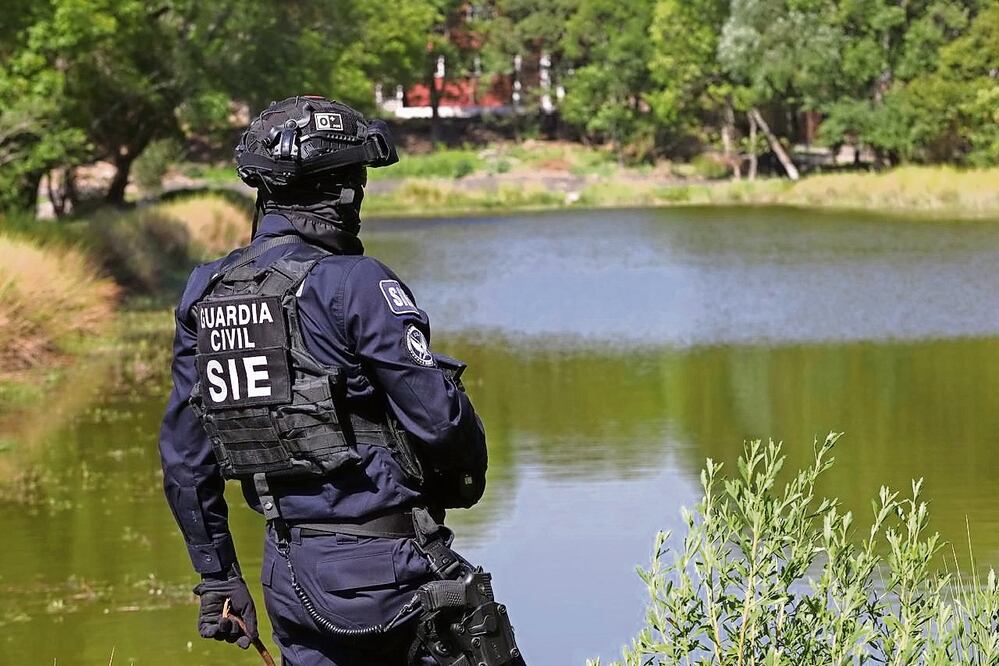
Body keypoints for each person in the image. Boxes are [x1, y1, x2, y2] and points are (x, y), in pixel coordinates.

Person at [159, 96, 522, 665]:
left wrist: (218, 577)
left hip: (290, 576)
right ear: (342, 189)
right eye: (356, 179)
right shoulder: (355, 283)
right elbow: (441, 425)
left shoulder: (208, 291)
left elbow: (185, 459)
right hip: (392, 573)